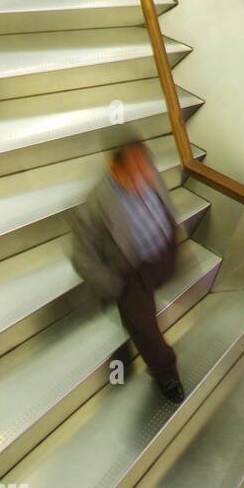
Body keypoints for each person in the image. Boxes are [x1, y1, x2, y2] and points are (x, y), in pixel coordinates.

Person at [71, 141, 184, 404]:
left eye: (145, 170)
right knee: (144, 328)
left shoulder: (148, 172)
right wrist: (114, 286)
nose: (142, 180)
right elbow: (82, 257)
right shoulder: (94, 206)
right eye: (132, 173)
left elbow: (163, 201)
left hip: (162, 252)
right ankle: (165, 372)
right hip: (130, 273)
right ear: (114, 167)